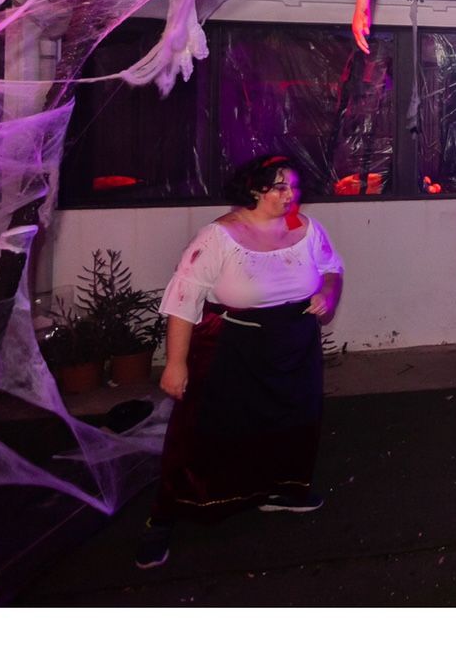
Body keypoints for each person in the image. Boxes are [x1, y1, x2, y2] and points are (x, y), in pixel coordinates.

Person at [134, 154, 344, 570]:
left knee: (291, 420)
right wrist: (175, 364)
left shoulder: (307, 229)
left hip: (294, 343)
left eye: (294, 187)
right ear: (254, 189)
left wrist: (327, 295)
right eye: (280, 187)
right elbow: (183, 299)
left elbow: (332, 269)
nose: (291, 195)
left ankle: (281, 491)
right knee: (204, 432)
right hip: (233, 345)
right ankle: (162, 518)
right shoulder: (218, 237)